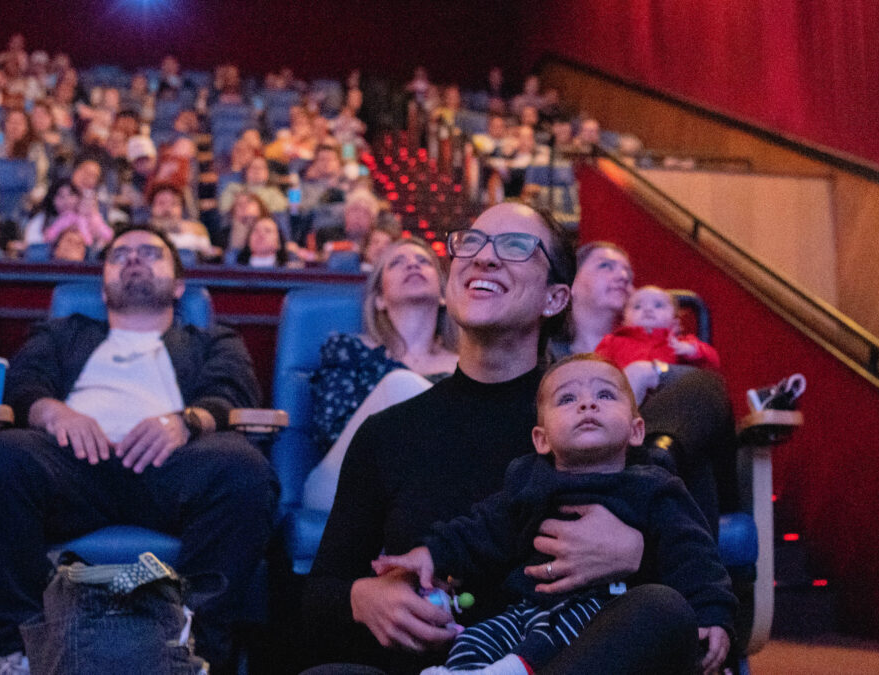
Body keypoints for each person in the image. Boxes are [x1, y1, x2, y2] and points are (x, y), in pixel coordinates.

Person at [301, 203, 698, 675]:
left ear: (555, 298)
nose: (483, 258)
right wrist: (361, 597)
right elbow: (318, 592)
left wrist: (635, 553)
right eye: (471, 242)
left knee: (662, 610)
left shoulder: (593, 422)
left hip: (559, 661)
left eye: (514, 247)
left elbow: (689, 581)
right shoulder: (387, 433)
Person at [0, 225, 277, 675]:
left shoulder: (212, 340)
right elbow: (25, 382)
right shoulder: (62, 332)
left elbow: (233, 391)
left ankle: (193, 651)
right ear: (103, 287)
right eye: (119, 254)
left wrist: (184, 423)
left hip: (172, 466)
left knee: (244, 469)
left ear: (178, 285)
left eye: (150, 253)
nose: (133, 259)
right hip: (72, 464)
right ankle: (14, 653)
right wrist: (55, 413)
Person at [372, 355, 735, 675]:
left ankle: (514, 669)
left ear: (637, 430)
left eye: (605, 395)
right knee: (476, 638)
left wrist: (712, 613)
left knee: (591, 623)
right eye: (568, 399)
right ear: (541, 439)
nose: (588, 405)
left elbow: (694, 554)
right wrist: (428, 555)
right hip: (527, 610)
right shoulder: (528, 482)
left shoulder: (654, 487)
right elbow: (481, 529)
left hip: (602, 613)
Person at [554, 241, 737, 540]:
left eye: (627, 270)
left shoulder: (666, 343)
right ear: (570, 283)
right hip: (595, 467)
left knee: (705, 388)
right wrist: (628, 384)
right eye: (606, 266)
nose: (623, 276)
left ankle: (655, 459)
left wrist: (651, 370)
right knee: (689, 459)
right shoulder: (551, 356)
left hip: (654, 455)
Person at [303, 238, 458, 512]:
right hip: (344, 487)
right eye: (397, 263)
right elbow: (331, 432)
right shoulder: (349, 351)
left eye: (424, 262)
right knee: (400, 384)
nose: (412, 264)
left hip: (436, 496)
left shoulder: (467, 365)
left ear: (444, 294)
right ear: (379, 300)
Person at [595, 285, 720, 370]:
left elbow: (713, 362)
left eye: (658, 305)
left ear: (675, 321)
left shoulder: (680, 343)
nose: (648, 309)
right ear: (624, 320)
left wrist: (693, 351)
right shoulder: (611, 342)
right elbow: (594, 369)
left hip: (668, 400)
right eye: (637, 307)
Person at [234, 216, 299, 268]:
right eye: (256, 230)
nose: (261, 234)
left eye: (268, 230)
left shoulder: (290, 273)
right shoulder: (234, 271)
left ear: (279, 243)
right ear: (248, 242)